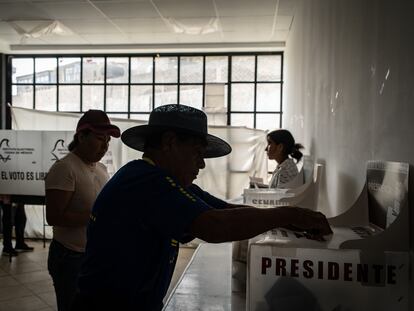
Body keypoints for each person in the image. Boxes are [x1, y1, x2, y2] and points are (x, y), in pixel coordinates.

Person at [73, 104, 332, 311]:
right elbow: (215, 226)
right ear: (169, 142)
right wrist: (289, 213)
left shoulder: (164, 180)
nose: (202, 164)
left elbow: (223, 209)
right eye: (197, 152)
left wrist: (290, 221)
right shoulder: (146, 181)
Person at [44, 110, 120, 311]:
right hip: (70, 257)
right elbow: (54, 216)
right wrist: (97, 218)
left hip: (94, 253)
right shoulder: (65, 168)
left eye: (108, 141)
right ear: (81, 136)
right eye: (99, 139)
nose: (104, 146)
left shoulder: (101, 168)